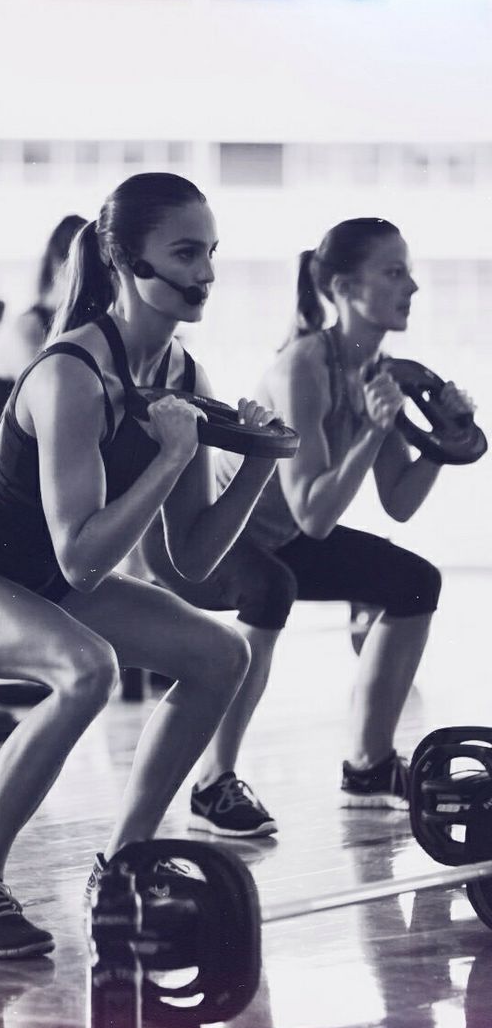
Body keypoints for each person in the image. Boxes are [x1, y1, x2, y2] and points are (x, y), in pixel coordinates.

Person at [0, 172, 278, 959]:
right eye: (186, 253)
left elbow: (187, 562)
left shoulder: (183, 376)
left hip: (44, 571)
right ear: (128, 260)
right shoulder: (70, 375)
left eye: (211, 253)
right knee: (86, 667)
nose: (206, 274)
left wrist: (259, 465)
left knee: (218, 654)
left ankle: (126, 866)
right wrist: (173, 454)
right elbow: (83, 554)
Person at [142, 217, 475, 838]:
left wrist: (441, 444)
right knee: (271, 587)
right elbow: (315, 515)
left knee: (414, 583)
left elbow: (398, 501)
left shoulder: (378, 371)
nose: (413, 287)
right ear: (346, 288)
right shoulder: (305, 367)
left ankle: (370, 768)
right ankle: (213, 784)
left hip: (284, 538)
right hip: (210, 542)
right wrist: (376, 428)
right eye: (394, 272)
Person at [0, 214, 86, 466]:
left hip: (17, 459)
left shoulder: (82, 326)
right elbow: (45, 405)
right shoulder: (28, 326)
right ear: (58, 265)